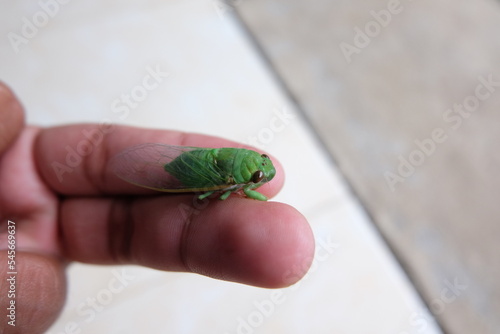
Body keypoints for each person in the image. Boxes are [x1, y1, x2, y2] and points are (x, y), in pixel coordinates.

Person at [0, 82, 314, 333]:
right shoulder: (236, 183)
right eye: (261, 169)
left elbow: (227, 193)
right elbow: (217, 196)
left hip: (204, 163)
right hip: (192, 172)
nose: (262, 173)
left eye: (261, 167)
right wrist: (219, 191)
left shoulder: (240, 172)